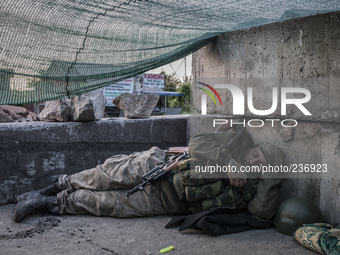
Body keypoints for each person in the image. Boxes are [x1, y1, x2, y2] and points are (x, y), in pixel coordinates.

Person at [13, 124, 283, 223]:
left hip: (164, 201)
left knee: (104, 204)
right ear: (253, 147)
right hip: (159, 164)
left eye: (262, 163)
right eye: (256, 153)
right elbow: (197, 143)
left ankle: (49, 203)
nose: (254, 160)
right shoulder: (234, 142)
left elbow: (262, 212)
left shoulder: (255, 187)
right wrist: (228, 162)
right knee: (102, 177)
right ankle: (53, 187)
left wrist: (271, 175)